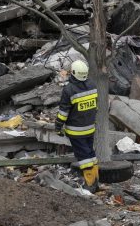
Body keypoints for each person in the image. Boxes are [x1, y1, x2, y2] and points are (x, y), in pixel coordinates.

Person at [55, 60, 99, 192]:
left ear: (73, 73)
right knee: (90, 154)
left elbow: (63, 112)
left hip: (76, 131)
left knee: (84, 157)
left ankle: (90, 184)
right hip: (90, 128)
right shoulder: (92, 85)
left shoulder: (69, 90)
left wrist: (58, 126)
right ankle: (96, 181)